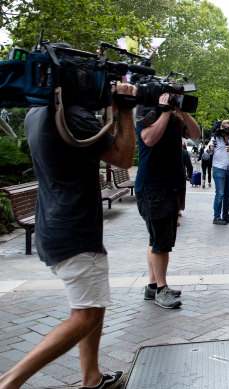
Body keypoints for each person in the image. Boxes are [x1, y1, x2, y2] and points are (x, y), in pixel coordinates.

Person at [0, 81, 136, 389]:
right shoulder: (73, 115)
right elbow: (122, 157)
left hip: (56, 224)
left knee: (91, 306)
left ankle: (92, 378)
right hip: (75, 230)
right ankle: (9, 382)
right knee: (84, 317)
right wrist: (126, 111)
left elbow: (85, 145)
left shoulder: (40, 111)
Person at [135, 93, 201, 309]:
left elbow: (196, 134)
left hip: (168, 186)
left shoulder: (174, 119)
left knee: (155, 240)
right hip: (154, 187)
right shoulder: (147, 114)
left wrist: (182, 111)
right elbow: (149, 139)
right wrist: (164, 112)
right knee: (161, 242)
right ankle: (162, 290)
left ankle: (153, 286)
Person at [205, 120, 229, 225]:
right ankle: (216, 217)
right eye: (226, 128)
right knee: (220, 194)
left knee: (228, 194)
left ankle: (225, 215)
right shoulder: (216, 137)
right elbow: (207, 151)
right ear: (222, 127)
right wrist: (209, 149)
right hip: (219, 169)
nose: (228, 130)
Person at [178, 141, 193, 224]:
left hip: (167, 176)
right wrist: (189, 175)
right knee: (180, 192)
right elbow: (189, 166)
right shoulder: (184, 153)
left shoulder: (166, 151)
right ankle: (178, 209)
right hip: (181, 175)